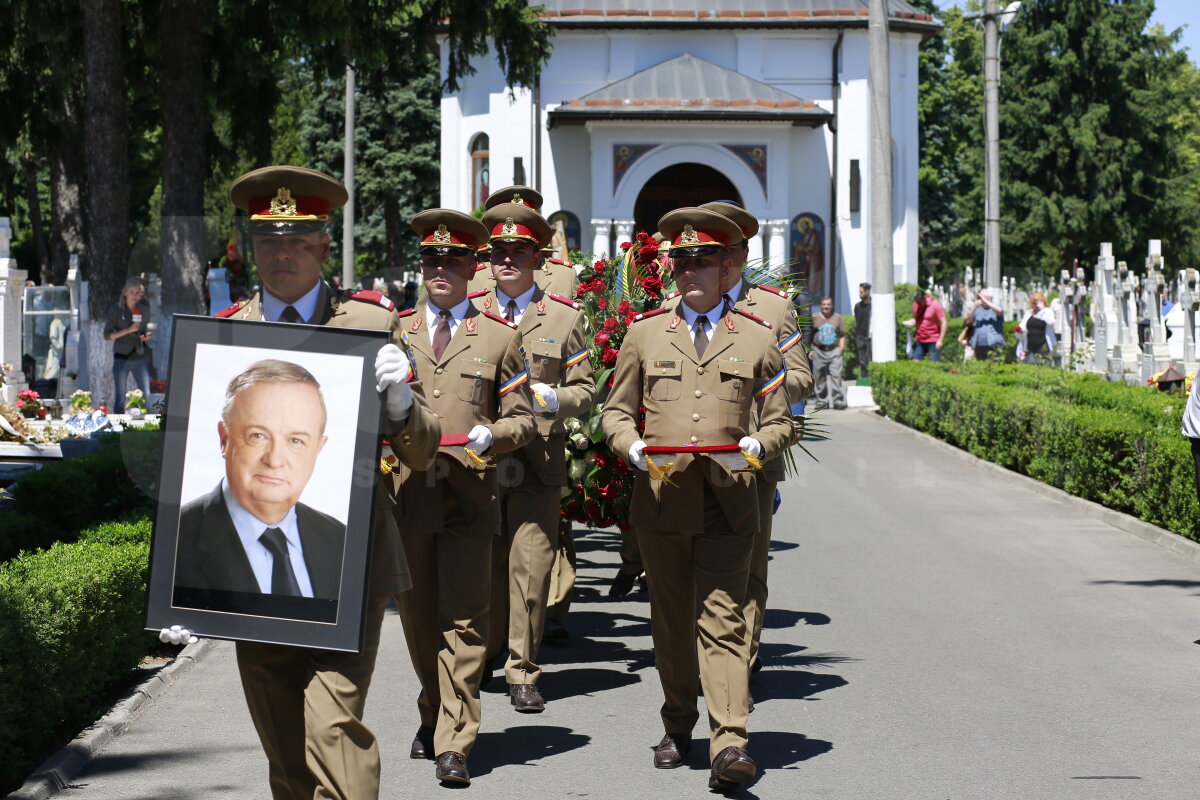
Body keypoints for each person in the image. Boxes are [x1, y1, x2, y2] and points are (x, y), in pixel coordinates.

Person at [161, 165, 441, 800]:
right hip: (248, 574)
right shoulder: (228, 330)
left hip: (349, 565)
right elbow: (197, 465)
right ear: (250, 246)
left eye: (296, 240)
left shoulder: (372, 327)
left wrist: (399, 402)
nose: (280, 253)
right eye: (267, 240)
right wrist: (181, 586)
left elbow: (422, 451)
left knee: (335, 734)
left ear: (321, 244)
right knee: (286, 753)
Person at [601, 207, 794, 793]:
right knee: (670, 623)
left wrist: (759, 444)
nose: (690, 272)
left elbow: (781, 420)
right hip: (662, 498)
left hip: (729, 501)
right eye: (681, 262)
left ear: (725, 267)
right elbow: (614, 410)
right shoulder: (644, 333)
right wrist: (631, 448)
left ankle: (729, 739)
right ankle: (678, 721)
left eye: (702, 261)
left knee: (723, 620)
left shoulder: (758, 339)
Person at [393, 208, 537, 787]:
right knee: (419, 622)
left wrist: (494, 435)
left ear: (472, 269)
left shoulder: (499, 338)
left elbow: (523, 419)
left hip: (471, 494)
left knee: (466, 620)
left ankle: (457, 737)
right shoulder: (395, 334)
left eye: (453, 260)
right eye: (432, 259)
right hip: (407, 495)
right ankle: (434, 710)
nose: (441, 269)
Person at [474, 201, 595, 712]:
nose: (507, 261)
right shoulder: (472, 310)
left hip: (539, 458)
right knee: (481, 565)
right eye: (499, 251)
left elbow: (586, 390)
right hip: (478, 461)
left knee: (531, 565)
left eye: (518, 252)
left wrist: (556, 398)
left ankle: (522, 669)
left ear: (537, 258)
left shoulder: (563, 318)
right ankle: (482, 654)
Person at [700, 199, 813, 683]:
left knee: (747, 567)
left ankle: (737, 667)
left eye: (730, 252)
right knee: (690, 566)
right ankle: (703, 656)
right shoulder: (673, 304)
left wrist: (753, 394)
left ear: (743, 255)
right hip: (687, 457)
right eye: (712, 253)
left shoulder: (773, 307)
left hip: (751, 455)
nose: (721, 263)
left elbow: (802, 377)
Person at [173, 360, 344, 613]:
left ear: (318, 450)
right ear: (224, 439)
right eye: (258, 436)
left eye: (296, 441)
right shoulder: (177, 538)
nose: (274, 459)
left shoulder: (341, 540)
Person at [104, 277, 151, 413]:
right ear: (124, 292)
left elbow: (142, 331)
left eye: (137, 293)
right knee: (120, 397)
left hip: (138, 357)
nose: (135, 296)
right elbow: (107, 335)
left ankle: (146, 428)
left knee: (146, 394)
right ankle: (119, 429)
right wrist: (128, 330)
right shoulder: (116, 310)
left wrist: (144, 336)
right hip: (121, 358)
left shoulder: (143, 309)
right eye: (132, 292)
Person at [810, 297, 846, 410]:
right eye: (824, 304)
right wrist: (811, 350)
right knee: (819, 376)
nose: (826, 306)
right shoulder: (814, 317)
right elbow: (809, 335)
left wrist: (841, 348)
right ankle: (822, 401)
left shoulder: (837, 317)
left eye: (828, 304)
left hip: (834, 350)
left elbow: (842, 334)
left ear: (832, 306)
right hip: (819, 350)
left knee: (836, 376)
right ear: (821, 305)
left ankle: (838, 400)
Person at [965, 289, 1004, 361]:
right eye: (981, 297)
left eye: (985, 297)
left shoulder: (995, 307)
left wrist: (986, 301)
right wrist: (974, 306)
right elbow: (968, 320)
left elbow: (1000, 311)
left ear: (990, 298)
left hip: (993, 343)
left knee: (992, 364)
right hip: (978, 343)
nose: (982, 300)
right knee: (980, 366)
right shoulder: (977, 309)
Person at [1018, 291, 1057, 364]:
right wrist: (1018, 330)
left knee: (1041, 364)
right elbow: (1022, 325)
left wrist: (1041, 310)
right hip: (1030, 346)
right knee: (1030, 364)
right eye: (1034, 302)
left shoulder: (1047, 312)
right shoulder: (1029, 313)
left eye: (1038, 302)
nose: (1036, 305)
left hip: (1043, 345)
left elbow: (1051, 322)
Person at [911, 289, 947, 361]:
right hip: (920, 339)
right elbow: (918, 319)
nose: (920, 304)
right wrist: (911, 322)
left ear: (925, 297)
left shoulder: (935, 305)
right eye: (918, 302)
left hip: (933, 340)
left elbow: (944, 322)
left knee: (933, 365)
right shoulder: (915, 305)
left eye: (921, 301)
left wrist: (940, 340)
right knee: (914, 363)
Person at [854, 282, 872, 377]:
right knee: (862, 361)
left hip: (871, 337)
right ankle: (864, 378)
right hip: (860, 336)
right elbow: (857, 321)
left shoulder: (874, 305)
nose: (859, 294)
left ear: (867, 291)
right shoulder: (857, 306)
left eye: (861, 292)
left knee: (871, 359)